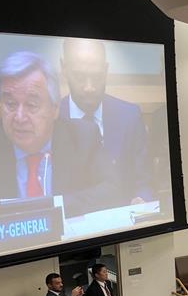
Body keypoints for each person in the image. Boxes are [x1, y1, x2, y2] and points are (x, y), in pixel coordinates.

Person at [0, 51, 102, 217]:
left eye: (31, 104)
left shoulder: (83, 137)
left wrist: (51, 210)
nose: (19, 117)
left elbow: (111, 190)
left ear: (55, 108)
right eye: (10, 104)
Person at [59, 38, 152, 206]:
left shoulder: (129, 116)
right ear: (64, 70)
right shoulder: (52, 120)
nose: (89, 87)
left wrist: (142, 199)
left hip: (126, 224)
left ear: (106, 70)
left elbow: (143, 181)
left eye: (97, 77)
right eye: (79, 77)